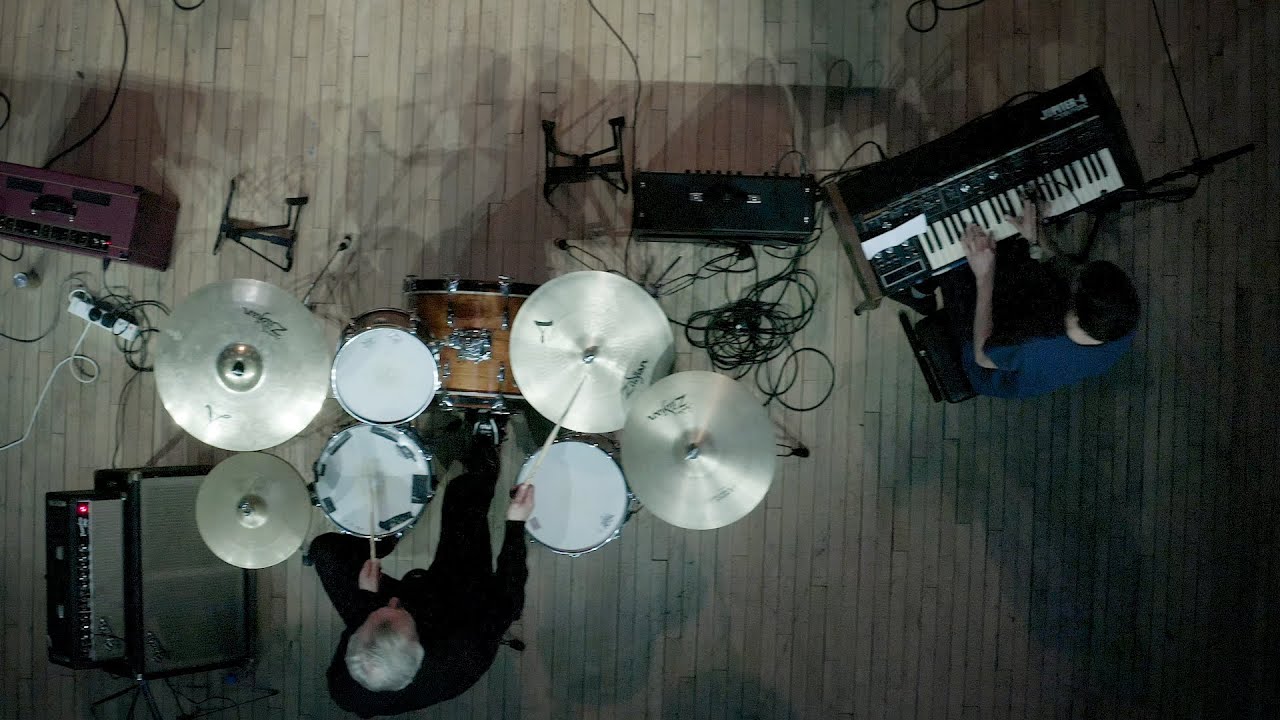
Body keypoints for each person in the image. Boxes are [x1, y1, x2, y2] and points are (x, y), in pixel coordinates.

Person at [308, 420, 535, 718]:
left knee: (326, 552)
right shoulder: (463, 655)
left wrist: (367, 601)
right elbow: (510, 595)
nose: (393, 598)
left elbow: (369, 621)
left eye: (364, 628)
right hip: (453, 610)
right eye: (397, 607)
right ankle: (485, 447)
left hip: (377, 613)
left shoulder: (344, 689)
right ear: (420, 648)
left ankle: (394, 524)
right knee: (462, 503)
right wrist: (516, 522)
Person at [940, 200, 1141, 398]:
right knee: (1016, 265)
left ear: (1073, 310)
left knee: (958, 277)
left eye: (1074, 283)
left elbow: (982, 356)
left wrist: (984, 276)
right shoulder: (1123, 322)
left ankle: (933, 286)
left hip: (988, 368)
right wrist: (1038, 237)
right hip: (1036, 344)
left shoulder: (1033, 344)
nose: (1072, 274)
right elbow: (1071, 272)